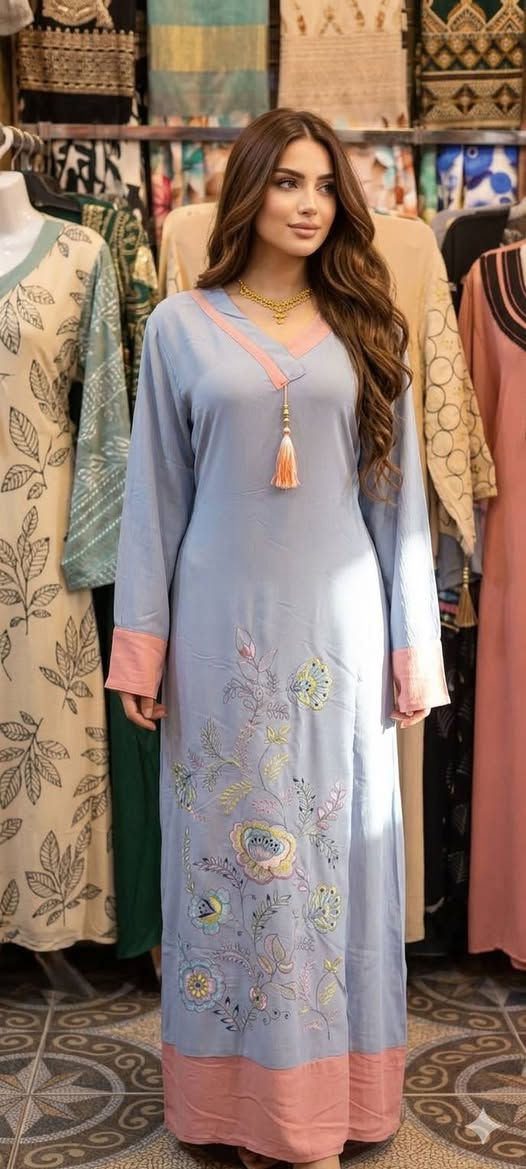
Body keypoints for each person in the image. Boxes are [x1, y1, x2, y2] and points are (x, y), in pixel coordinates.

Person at [106, 109, 449, 1169]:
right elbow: (154, 496)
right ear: (248, 190)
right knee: (232, 855)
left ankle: (331, 1099)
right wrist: (143, 644)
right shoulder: (180, 326)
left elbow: (397, 501)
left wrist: (413, 647)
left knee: (340, 855)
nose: (310, 204)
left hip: (338, 638)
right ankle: (241, 1104)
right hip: (218, 632)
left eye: (326, 186)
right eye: (289, 182)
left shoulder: (367, 324)